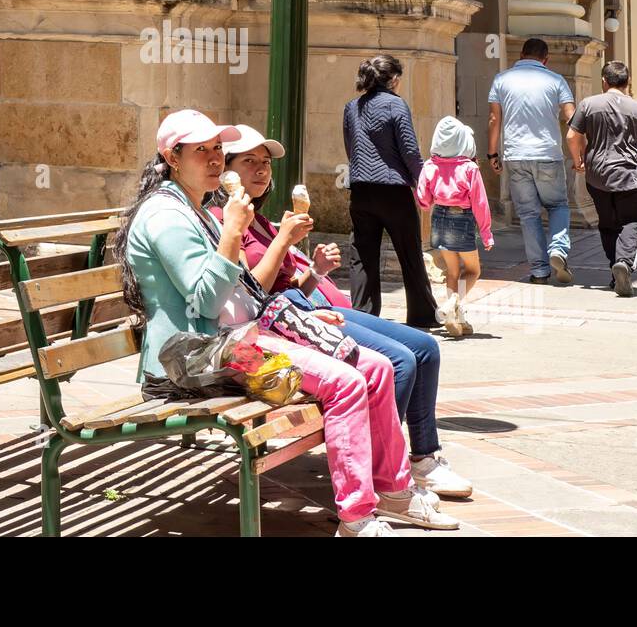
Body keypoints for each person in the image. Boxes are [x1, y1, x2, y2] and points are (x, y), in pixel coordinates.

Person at [115, 109, 456, 535]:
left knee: (377, 366)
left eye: (217, 148)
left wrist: (299, 310)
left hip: (238, 338)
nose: (214, 158)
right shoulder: (166, 214)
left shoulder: (195, 208)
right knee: (346, 382)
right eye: (201, 150)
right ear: (172, 157)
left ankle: (393, 491)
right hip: (198, 359)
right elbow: (205, 303)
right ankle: (355, 516)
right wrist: (233, 235)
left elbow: (243, 294)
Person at [210, 125, 474, 502]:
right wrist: (285, 240)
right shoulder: (227, 221)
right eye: (248, 161)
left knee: (425, 347)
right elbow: (253, 294)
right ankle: (377, 470)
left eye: (265, 162)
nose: (261, 169)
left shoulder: (264, 221)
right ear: (228, 171)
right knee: (398, 361)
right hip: (278, 323)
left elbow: (291, 288)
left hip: (306, 307)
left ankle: (423, 456)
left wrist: (315, 271)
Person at [342, 54, 437, 326]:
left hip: (361, 189)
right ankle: (422, 314)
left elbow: (351, 147)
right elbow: (409, 149)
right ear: (394, 79)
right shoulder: (396, 105)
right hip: (393, 190)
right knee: (409, 252)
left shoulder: (352, 107)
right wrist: (423, 181)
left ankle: (362, 315)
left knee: (362, 253)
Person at [567, 60, 637, 298]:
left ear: (604, 81)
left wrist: (578, 161)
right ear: (628, 82)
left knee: (608, 224)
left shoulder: (588, 104)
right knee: (632, 222)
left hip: (598, 176)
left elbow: (571, 136)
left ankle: (615, 269)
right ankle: (624, 263)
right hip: (630, 176)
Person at [487, 37, 576, 285]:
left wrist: (492, 154)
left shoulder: (501, 79)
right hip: (548, 154)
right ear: (545, 59)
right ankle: (558, 249)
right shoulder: (556, 80)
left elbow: (494, 120)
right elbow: (572, 118)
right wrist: (579, 154)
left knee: (528, 214)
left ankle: (539, 271)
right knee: (558, 205)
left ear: (522, 55)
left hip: (515, 155)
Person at [415, 116, 495, 337]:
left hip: (438, 217)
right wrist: (486, 233)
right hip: (462, 220)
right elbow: (480, 203)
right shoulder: (469, 168)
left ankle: (458, 319)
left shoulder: (430, 165)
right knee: (473, 270)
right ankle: (453, 303)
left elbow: (423, 199)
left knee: (452, 271)